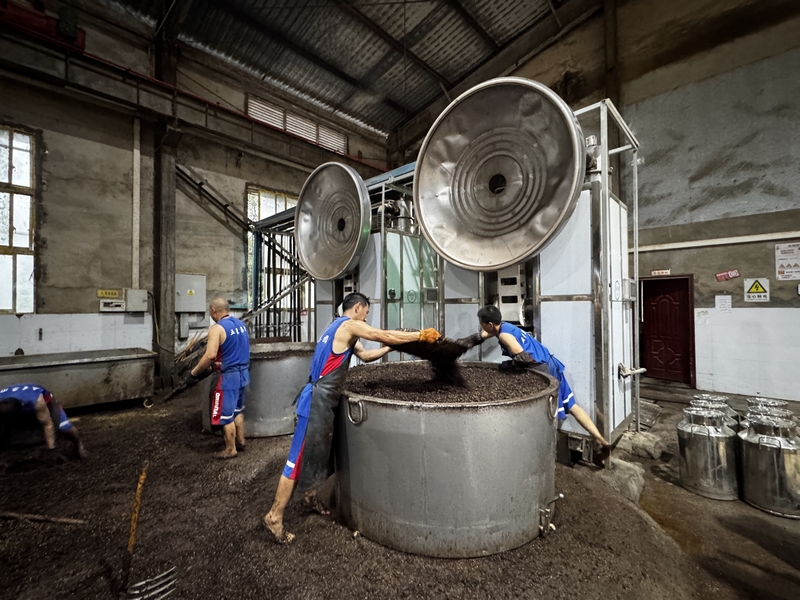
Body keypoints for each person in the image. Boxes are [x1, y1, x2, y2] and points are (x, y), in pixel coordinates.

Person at [263, 292, 440, 544]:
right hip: (315, 402)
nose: (366, 318)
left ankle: (309, 496)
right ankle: (274, 516)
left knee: (322, 452)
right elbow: (383, 334)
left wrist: (391, 346)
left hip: (324, 400)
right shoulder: (350, 325)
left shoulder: (335, 327)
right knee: (297, 459)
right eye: (366, 312)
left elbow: (366, 356)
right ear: (358, 308)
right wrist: (419, 336)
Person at [469, 305, 611, 462]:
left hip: (544, 370)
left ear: (489, 324)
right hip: (552, 363)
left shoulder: (504, 336)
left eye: (481, 323)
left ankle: (545, 455)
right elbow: (483, 335)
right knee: (571, 405)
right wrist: (464, 343)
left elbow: (525, 359)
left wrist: (511, 366)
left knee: (547, 411)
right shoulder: (506, 326)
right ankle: (600, 439)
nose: (480, 325)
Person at [189, 297, 250, 459]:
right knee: (237, 410)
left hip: (228, 378)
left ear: (214, 310)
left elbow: (210, 355)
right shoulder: (241, 325)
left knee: (225, 414)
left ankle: (230, 449)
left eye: (210, 311)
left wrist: (194, 373)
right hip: (243, 374)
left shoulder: (217, 328)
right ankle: (241, 441)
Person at [0, 383, 86, 458]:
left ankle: (78, 444)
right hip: (17, 402)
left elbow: (48, 425)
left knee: (64, 427)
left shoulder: (36, 400)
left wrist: (51, 449)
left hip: (47, 404)